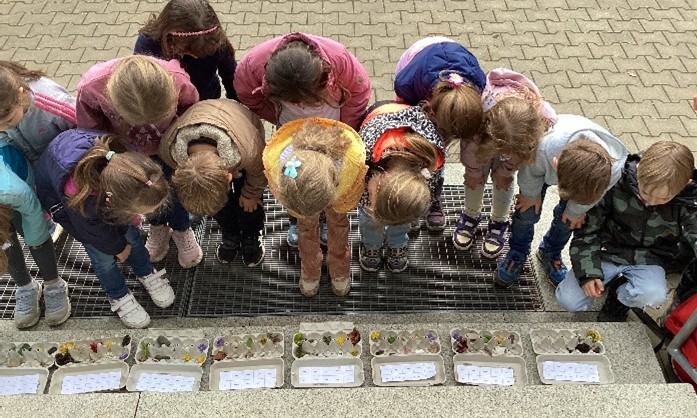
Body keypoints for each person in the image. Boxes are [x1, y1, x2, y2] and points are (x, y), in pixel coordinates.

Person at [234, 32, 371, 247]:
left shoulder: (340, 60)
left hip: (332, 131)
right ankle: (296, 219)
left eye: (307, 99)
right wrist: (277, 119)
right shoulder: (253, 65)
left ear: (323, 76)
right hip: (292, 133)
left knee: (326, 177)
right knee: (295, 179)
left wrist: (344, 129)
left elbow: (359, 93)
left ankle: (324, 218)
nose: (301, 105)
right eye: (295, 100)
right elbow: (247, 94)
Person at [35, 129, 175, 328]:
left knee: (133, 237)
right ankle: (118, 294)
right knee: (103, 258)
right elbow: (91, 231)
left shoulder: (128, 168)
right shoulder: (81, 197)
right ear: (114, 202)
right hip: (71, 207)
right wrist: (118, 248)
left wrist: (128, 227)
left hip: (103, 196)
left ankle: (145, 271)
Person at [76, 55, 202, 269]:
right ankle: (157, 225)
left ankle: (182, 228)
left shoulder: (178, 80)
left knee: (174, 190)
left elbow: (191, 113)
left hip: (167, 149)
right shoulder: (91, 88)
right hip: (125, 153)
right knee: (142, 194)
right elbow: (90, 130)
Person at [556, 141, 697, 322]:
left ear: (686, 184)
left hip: (649, 258)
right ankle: (604, 281)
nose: (651, 201)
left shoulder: (687, 203)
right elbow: (587, 232)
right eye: (645, 192)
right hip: (607, 251)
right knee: (568, 301)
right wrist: (588, 274)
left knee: (654, 295)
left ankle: (618, 297)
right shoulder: (614, 183)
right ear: (638, 169)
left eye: (663, 198)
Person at [493, 114, 628, 288]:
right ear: (556, 163)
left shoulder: (613, 170)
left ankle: (550, 252)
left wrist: (575, 210)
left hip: (583, 176)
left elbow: (594, 193)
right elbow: (531, 172)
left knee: (568, 221)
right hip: (545, 166)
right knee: (526, 212)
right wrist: (530, 195)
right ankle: (517, 251)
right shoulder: (545, 149)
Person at [453, 68, 556, 258]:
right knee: (474, 179)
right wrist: (474, 171)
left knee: (504, 181)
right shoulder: (480, 111)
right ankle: (471, 214)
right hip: (482, 142)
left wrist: (506, 169)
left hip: (514, 141)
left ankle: (499, 221)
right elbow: (470, 147)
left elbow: (525, 148)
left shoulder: (538, 117)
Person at [263, 118, 367, 297]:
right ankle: (310, 269)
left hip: (337, 188)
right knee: (305, 225)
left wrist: (334, 197)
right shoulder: (282, 165)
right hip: (303, 190)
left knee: (338, 224)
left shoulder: (349, 165)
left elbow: (350, 195)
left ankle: (340, 268)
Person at [394, 36, 486, 231]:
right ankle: (413, 195)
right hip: (415, 64)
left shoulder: (477, 87)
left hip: (453, 65)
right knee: (415, 146)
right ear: (431, 112)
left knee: (438, 152)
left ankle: (434, 197)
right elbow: (403, 115)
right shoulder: (408, 85)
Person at [160, 99, 266, 267]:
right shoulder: (168, 149)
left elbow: (259, 171)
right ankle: (230, 232)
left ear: (230, 176)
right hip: (207, 127)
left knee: (250, 204)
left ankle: (251, 233)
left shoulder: (249, 150)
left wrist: (250, 194)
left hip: (241, 128)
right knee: (220, 207)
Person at [357, 102, 443, 273]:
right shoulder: (363, 155)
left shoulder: (432, 160)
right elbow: (357, 191)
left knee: (401, 215)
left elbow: (432, 187)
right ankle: (371, 244)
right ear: (376, 180)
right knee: (369, 215)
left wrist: (409, 209)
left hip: (410, 132)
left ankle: (397, 243)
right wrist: (370, 201)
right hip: (379, 120)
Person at [0, 141, 69, 328]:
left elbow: (34, 217)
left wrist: (36, 237)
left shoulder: (13, 192)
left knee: (34, 236)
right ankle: (25, 286)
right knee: (7, 244)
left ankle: (54, 284)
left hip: (18, 178)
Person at [135, 0, 237, 101]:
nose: (196, 56)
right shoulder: (148, 44)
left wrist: (236, 103)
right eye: (188, 50)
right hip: (168, 104)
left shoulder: (214, 40)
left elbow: (231, 76)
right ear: (170, 37)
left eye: (205, 52)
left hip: (207, 100)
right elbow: (140, 84)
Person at [0, 61, 76, 164]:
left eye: (9, 120)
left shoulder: (54, 105)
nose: (3, 128)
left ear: (20, 95)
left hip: (66, 159)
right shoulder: (8, 111)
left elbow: (87, 130)